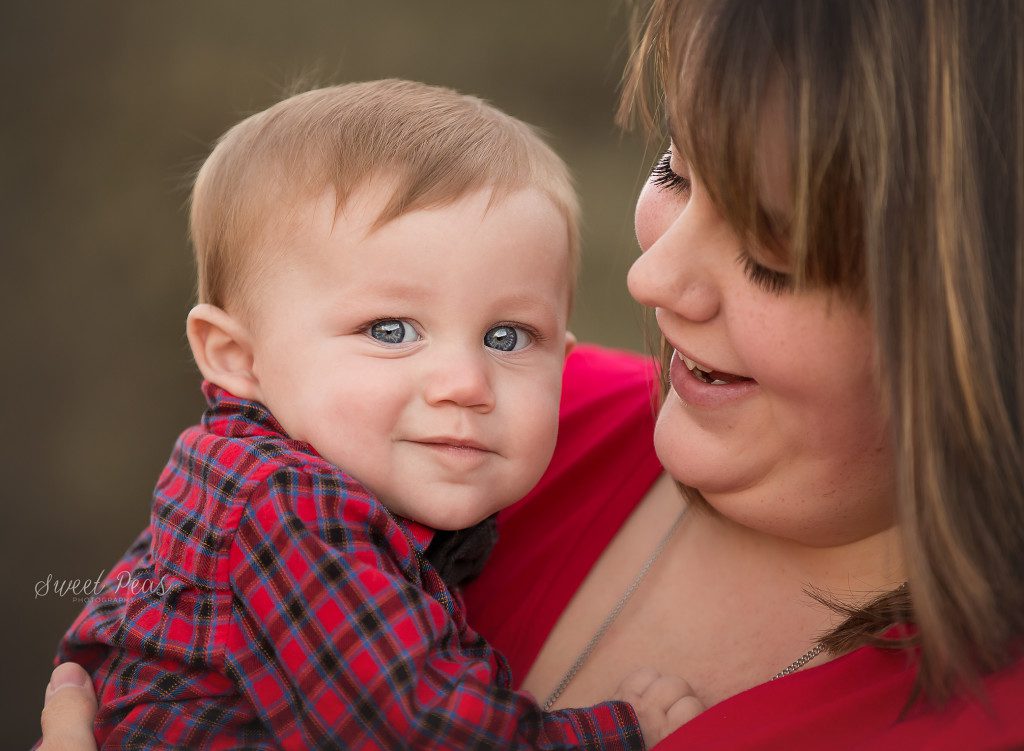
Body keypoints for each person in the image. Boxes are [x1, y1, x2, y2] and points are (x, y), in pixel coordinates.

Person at [40, 1, 1024, 749]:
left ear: (983, 307)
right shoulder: (447, 440)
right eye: (675, 168)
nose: (651, 277)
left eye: (773, 252)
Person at [47, 79, 699, 750]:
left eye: (506, 337)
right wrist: (622, 730)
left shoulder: (285, 482)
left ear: (564, 361)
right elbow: (423, 733)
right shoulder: (284, 503)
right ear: (238, 357)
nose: (465, 383)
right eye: (390, 330)